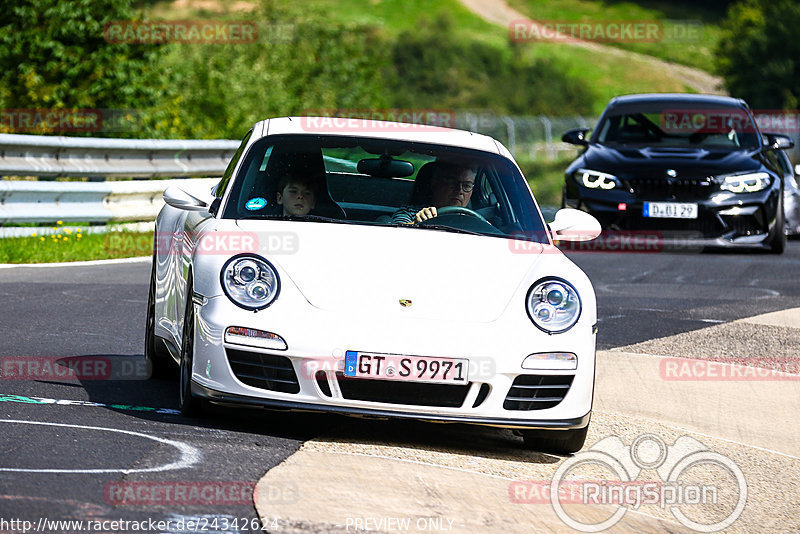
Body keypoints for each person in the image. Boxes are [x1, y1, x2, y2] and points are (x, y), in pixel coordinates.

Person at [391, 161, 476, 224]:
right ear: (435, 184)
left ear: (472, 192)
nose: (459, 190)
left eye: (467, 186)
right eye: (452, 183)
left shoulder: (476, 220)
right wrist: (416, 224)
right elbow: (396, 234)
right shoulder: (409, 213)